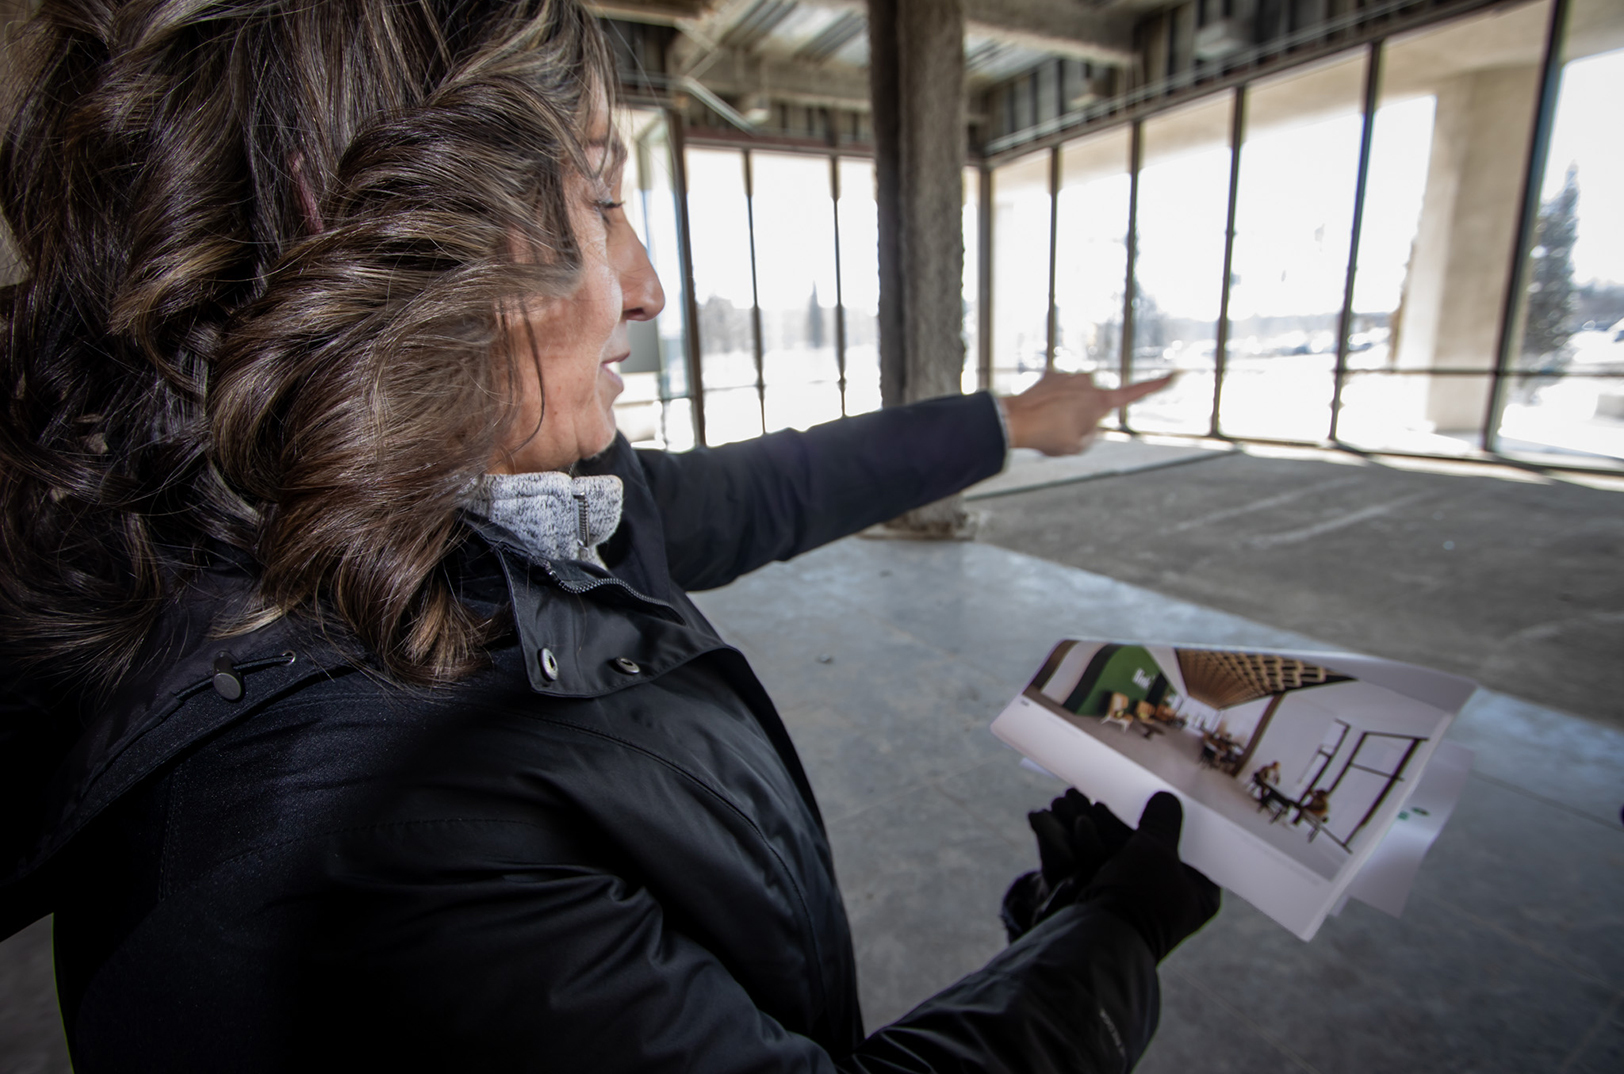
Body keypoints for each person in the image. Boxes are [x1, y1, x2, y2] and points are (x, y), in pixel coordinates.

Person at [0, 1, 1216, 1070]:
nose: (644, 283)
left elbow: (754, 493)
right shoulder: (368, 854)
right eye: (597, 198)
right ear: (363, 219)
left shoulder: (437, 510)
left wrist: (1002, 421)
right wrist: (1110, 929)